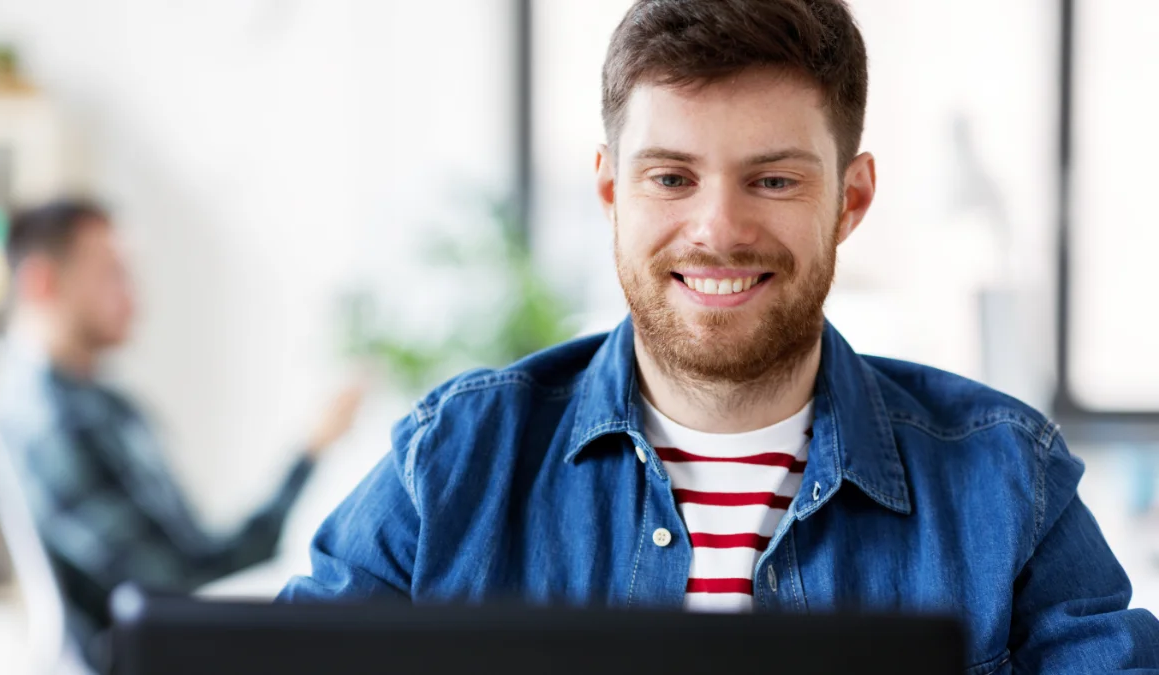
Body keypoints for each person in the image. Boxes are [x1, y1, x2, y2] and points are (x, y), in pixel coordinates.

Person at [279, 0, 1159, 670]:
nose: (717, 229)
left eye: (773, 181)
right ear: (610, 190)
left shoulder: (1008, 480)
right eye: (670, 176)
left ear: (850, 199)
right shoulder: (453, 464)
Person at [0, 198, 363, 669]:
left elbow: (196, 567)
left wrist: (313, 451)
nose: (133, 294)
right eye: (112, 272)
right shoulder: (53, 425)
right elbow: (182, 586)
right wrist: (309, 454)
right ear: (41, 282)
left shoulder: (103, 408)